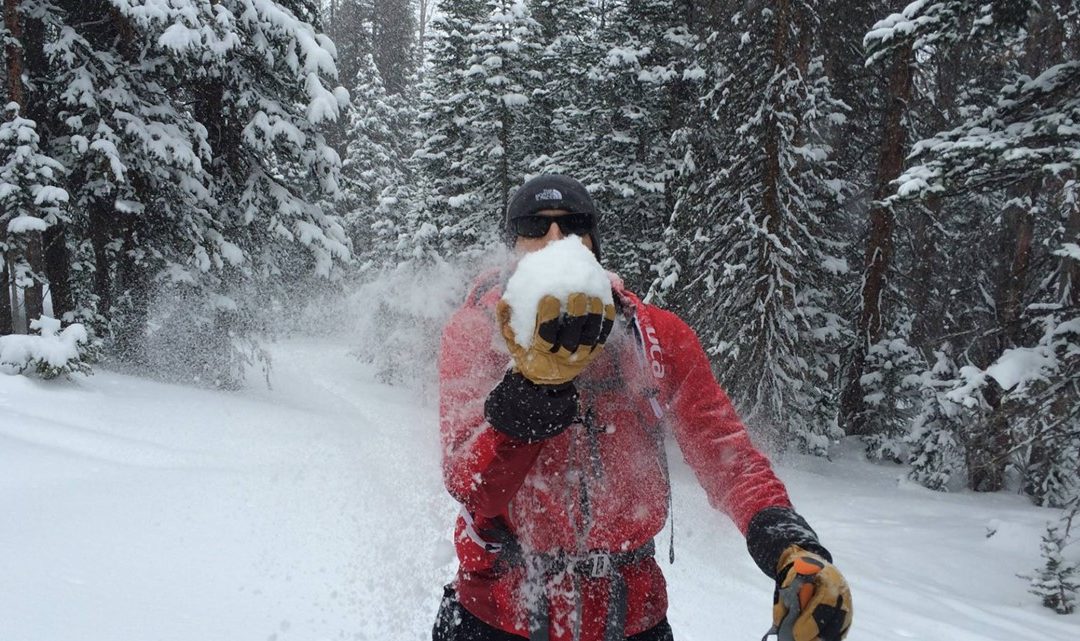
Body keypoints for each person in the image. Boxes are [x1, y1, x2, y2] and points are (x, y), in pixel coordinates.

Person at [434, 174, 853, 641]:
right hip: (498, 616)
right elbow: (472, 485)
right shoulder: (477, 333)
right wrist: (532, 390)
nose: (556, 239)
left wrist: (788, 544)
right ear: (512, 246)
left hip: (631, 617)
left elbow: (724, 452)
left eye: (573, 225)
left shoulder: (656, 336)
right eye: (536, 226)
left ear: (594, 242)